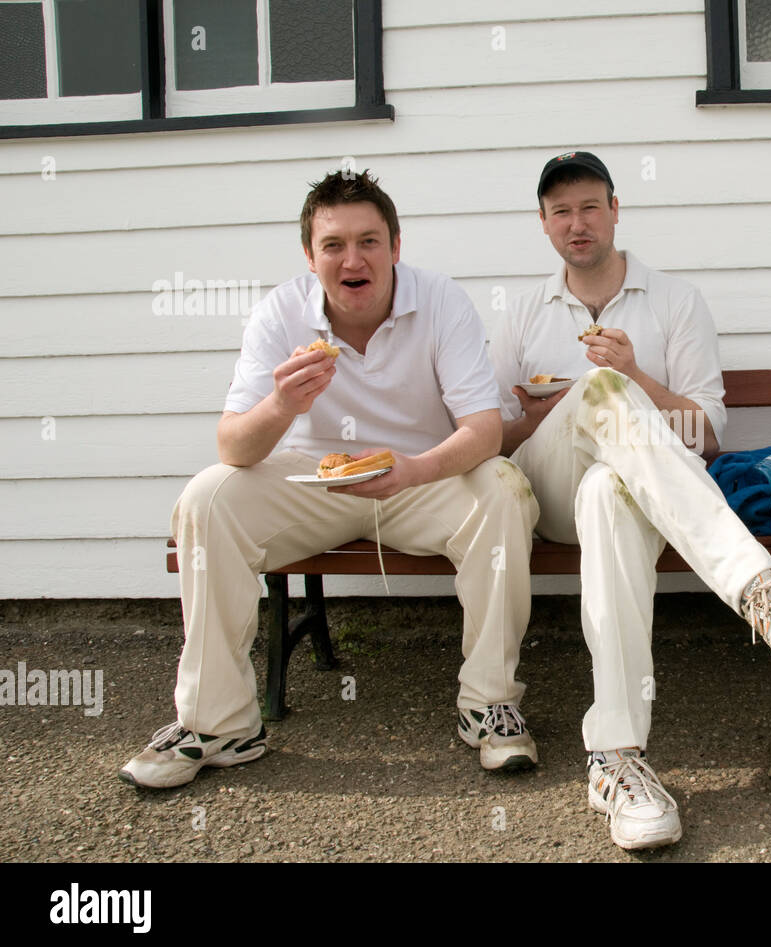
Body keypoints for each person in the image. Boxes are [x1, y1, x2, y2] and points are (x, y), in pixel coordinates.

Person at [120, 170, 540, 788]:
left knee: (503, 485)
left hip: (419, 477)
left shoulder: (442, 300)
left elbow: (481, 429)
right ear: (310, 258)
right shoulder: (281, 312)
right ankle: (218, 723)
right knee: (207, 496)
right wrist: (281, 406)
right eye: (334, 245)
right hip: (314, 483)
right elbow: (233, 444)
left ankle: (489, 704)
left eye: (369, 241)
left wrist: (414, 470)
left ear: (396, 247)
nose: (353, 259)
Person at [490, 151, 771, 849]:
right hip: (545, 486)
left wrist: (634, 379)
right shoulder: (522, 311)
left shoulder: (676, 301)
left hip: (645, 497)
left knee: (607, 492)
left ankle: (615, 757)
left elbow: (705, 435)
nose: (577, 222)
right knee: (594, 406)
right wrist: (567, 405)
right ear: (543, 224)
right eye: (560, 211)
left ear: (616, 210)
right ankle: (762, 591)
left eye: (590, 206)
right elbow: (496, 435)